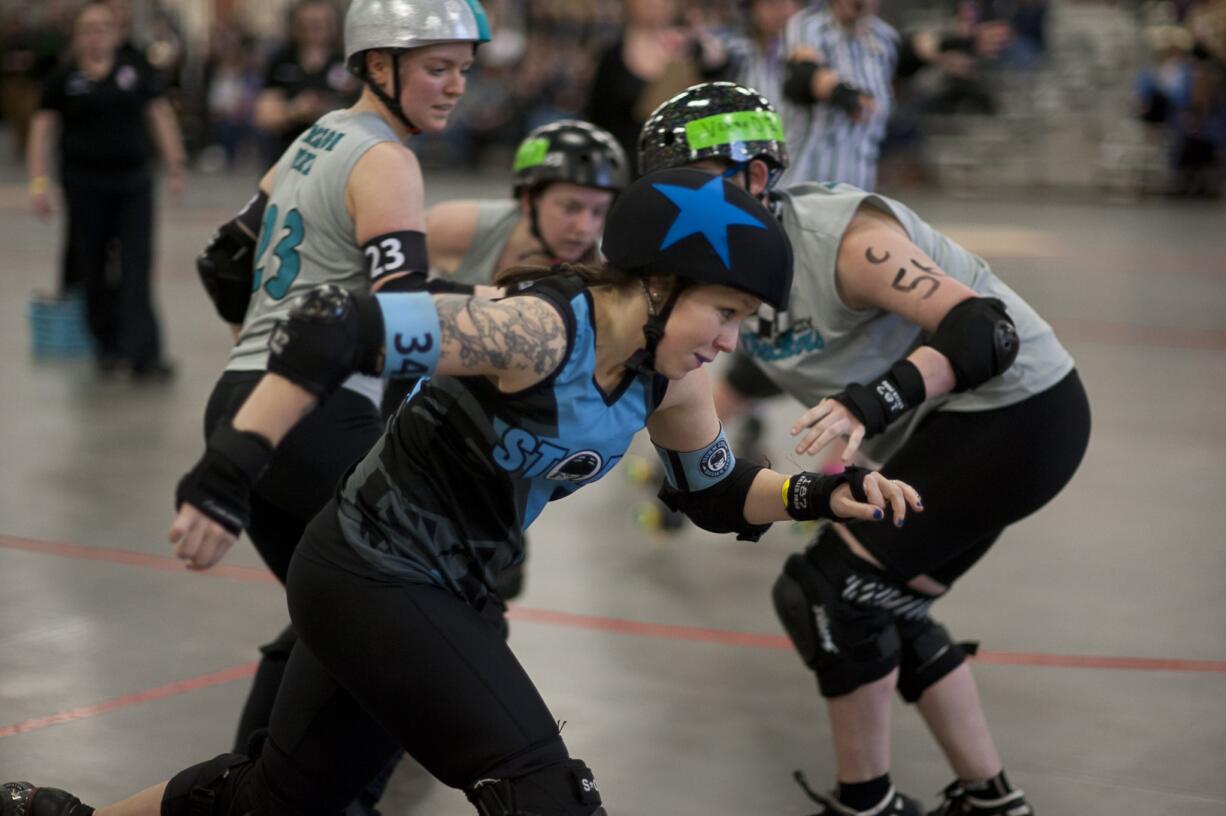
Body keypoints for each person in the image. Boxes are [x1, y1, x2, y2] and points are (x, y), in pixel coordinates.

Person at [2, 168, 922, 816]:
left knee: (276, 799)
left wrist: (818, 495)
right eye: (724, 314)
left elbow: (715, 495)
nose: (731, 342)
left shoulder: (668, 379)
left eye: (743, 323)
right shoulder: (533, 329)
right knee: (541, 787)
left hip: (439, 589)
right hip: (373, 570)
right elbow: (333, 330)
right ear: (656, 284)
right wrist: (226, 477)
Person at [639, 82, 1091, 816]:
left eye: (689, 192)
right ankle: (991, 802)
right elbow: (753, 365)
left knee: (829, 590)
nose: (675, 217)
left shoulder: (840, 240)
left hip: (1017, 412)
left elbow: (985, 333)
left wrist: (871, 401)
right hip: (962, 428)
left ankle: (866, 805)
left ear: (754, 179)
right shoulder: (729, 269)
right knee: (884, 602)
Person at [187, 0, 490, 802]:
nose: (455, 86)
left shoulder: (315, 137)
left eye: (463, 69)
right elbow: (403, 327)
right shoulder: (388, 161)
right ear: (377, 65)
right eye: (437, 68)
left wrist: (257, 347)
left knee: (331, 621)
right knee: (425, 617)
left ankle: (252, 788)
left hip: (245, 405)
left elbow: (224, 260)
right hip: (318, 416)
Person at [26, 0, 186, 378]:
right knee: (92, 268)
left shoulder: (135, 70)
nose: (96, 36)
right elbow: (42, 130)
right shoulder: (64, 78)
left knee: (136, 267)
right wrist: (38, 182)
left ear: (116, 34)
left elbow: (159, 114)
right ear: (77, 36)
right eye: (88, 29)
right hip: (84, 186)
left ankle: (144, 354)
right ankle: (107, 346)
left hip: (132, 184)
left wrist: (176, 164)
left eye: (103, 28)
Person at [586, 0, 730, 173]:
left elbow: (719, 66)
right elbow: (597, 115)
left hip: (681, 164)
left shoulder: (689, 47)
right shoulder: (611, 54)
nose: (655, 3)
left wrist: (696, 45)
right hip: (625, 163)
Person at [254, 0, 360, 163]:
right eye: (310, 23)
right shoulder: (283, 60)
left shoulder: (349, 60)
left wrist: (331, 110)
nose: (316, 29)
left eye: (323, 23)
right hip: (289, 155)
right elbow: (264, 116)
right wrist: (296, 110)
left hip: (337, 156)